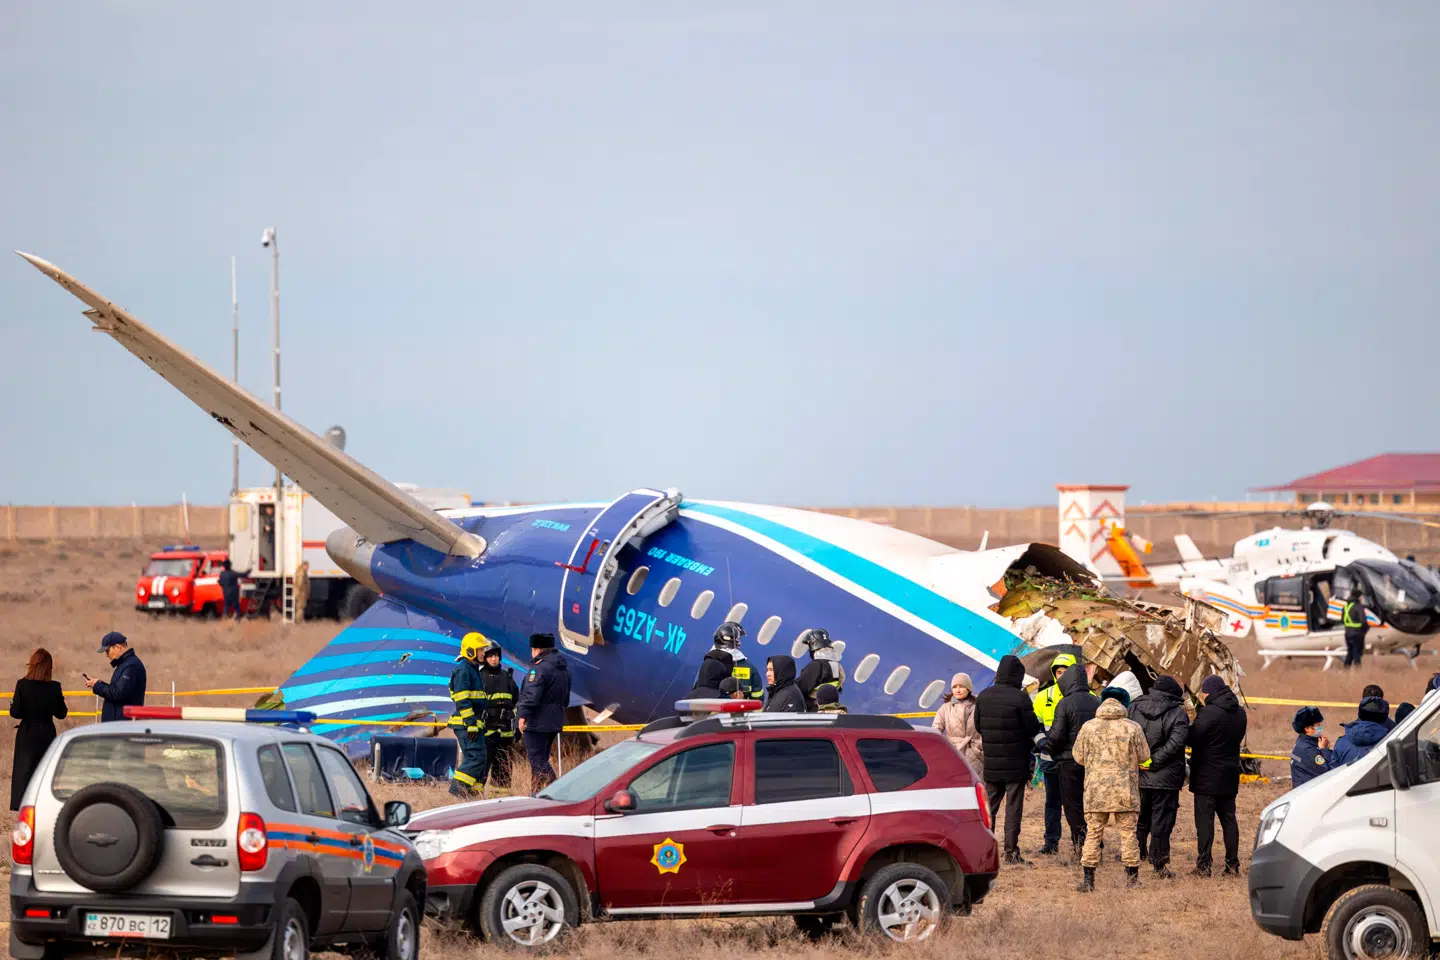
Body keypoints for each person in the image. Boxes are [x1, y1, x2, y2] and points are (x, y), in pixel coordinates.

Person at [1072, 686, 1150, 892]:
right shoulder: (1133, 727)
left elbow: (1078, 757)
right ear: (1125, 703)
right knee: (1128, 833)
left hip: (1096, 791)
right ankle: (1132, 880)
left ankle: (1088, 881)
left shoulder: (1088, 727)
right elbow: (1144, 755)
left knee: (1093, 833)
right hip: (1126, 791)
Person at [974, 655, 1044, 866]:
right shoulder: (1020, 698)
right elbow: (1032, 728)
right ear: (1018, 676)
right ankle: (1011, 853)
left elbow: (978, 726)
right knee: (1013, 809)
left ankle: (985, 853)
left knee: (989, 809)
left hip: (992, 763)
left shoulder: (984, 696)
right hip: (1016, 763)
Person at [1129, 675, 1189, 878]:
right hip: (1166, 778)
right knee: (1162, 822)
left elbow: (1127, 736)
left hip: (1139, 773)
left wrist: (1141, 761)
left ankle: (1134, 857)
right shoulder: (1177, 713)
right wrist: (1153, 761)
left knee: (1140, 818)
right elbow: (1176, 743)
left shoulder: (1134, 708)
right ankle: (1159, 864)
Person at [1187, 675, 1247, 877]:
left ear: (1209, 692)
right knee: (1229, 820)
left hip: (1206, 777)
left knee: (1205, 823)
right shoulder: (1240, 713)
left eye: (1203, 693)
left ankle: (1204, 866)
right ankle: (1232, 865)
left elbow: (1193, 738)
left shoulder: (1209, 713)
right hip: (1229, 775)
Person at [1046, 663, 1099, 859]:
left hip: (1068, 763)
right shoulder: (1097, 702)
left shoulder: (1065, 703)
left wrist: (1048, 749)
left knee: (1073, 805)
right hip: (1093, 763)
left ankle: (1081, 845)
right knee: (1092, 805)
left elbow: (1056, 735)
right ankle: (1095, 844)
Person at [1031, 653, 1077, 856]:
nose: (1062, 676)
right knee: (1052, 803)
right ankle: (1051, 843)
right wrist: (1042, 743)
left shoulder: (1086, 696)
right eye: (1058, 672)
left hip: (1074, 762)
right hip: (1049, 759)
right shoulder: (1043, 696)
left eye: (1066, 672)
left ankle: (1081, 842)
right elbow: (1035, 725)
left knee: (1076, 803)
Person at [10, 648, 67, 810]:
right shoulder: (54, 687)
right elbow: (61, 713)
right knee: (45, 772)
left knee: (25, 772)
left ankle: (23, 807)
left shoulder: (22, 684)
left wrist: (13, 704)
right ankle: (44, 806)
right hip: (46, 733)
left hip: (27, 734)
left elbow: (16, 712)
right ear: (49, 667)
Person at [517, 633, 570, 793]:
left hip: (536, 722)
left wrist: (522, 715)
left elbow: (531, 696)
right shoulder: (563, 669)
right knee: (541, 761)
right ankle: (537, 795)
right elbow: (566, 699)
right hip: (554, 722)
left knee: (538, 761)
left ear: (537, 649)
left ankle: (559, 792)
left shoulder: (539, 669)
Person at [447, 632, 489, 798]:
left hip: (473, 724)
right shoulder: (463, 670)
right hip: (466, 725)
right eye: (481, 650)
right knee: (476, 758)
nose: (483, 653)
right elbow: (462, 700)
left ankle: (472, 795)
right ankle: (457, 791)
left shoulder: (472, 669)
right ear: (470, 651)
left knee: (481, 758)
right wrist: (471, 723)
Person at [478, 641, 519, 790]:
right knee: (481, 770)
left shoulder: (507, 677)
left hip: (505, 734)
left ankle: (501, 800)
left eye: (496, 655)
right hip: (486, 733)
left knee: (503, 772)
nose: (494, 659)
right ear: (485, 658)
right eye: (490, 656)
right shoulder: (479, 677)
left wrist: (516, 727)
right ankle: (474, 798)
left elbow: (517, 702)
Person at [85, 632, 146, 723]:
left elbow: (118, 694)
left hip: (122, 726)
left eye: (107, 651)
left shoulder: (131, 666)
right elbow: (118, 690)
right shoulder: (125, 664)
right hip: (119, 724)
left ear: (117, 647)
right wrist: (99, 683)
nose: (107, 655)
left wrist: (97, 685)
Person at [933, 672, 984, 780]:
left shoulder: (978, 706)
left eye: (961, 686)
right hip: (953, 754)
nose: (958, 690)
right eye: (955, 687)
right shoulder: (945, 708)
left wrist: (980, 747)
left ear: (968, 689)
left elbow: (987, 728)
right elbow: (936, 730)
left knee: (977, 786)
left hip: (976, 754)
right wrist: (943, 749)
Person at [1333, 696, 1390, 766]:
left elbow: (1332, 770)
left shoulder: (1341, 743)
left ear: (1359, 715)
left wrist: (1325, 751)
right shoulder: (1391, 746)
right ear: (1384, 719)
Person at [713, 622, 763, 702]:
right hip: (742, 709)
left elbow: (700, 691)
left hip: (715, 709)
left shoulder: (709, 665)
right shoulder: (750, 667)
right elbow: (758, 698)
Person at [796, 628, 844, 711]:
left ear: (814, 644)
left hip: (813, 708)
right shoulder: (835, 664)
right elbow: (839, 685)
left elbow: (800, 689)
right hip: (829, 708)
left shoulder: (816, 665)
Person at [1289, 706, 1333, 787]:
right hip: (1308, 792)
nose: (1320, 728)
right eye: (1317, 725)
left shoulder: (1307, 742)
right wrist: (1324, 750)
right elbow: (1329, 772)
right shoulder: (1306, 749)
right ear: (1307, 729)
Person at [1342, 589, 1370, 669]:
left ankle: (1346, 669)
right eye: (1361, 596)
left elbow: (1342, 620)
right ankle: (1358, 671)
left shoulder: (1346, 607)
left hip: (1347, 633)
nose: (1362, 598)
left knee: (1350, 653)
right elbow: (1363, 621)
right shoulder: (1359, 607)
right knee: (1357, 653)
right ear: (1358, 597)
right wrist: (1365, 630)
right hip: (1357, 633)